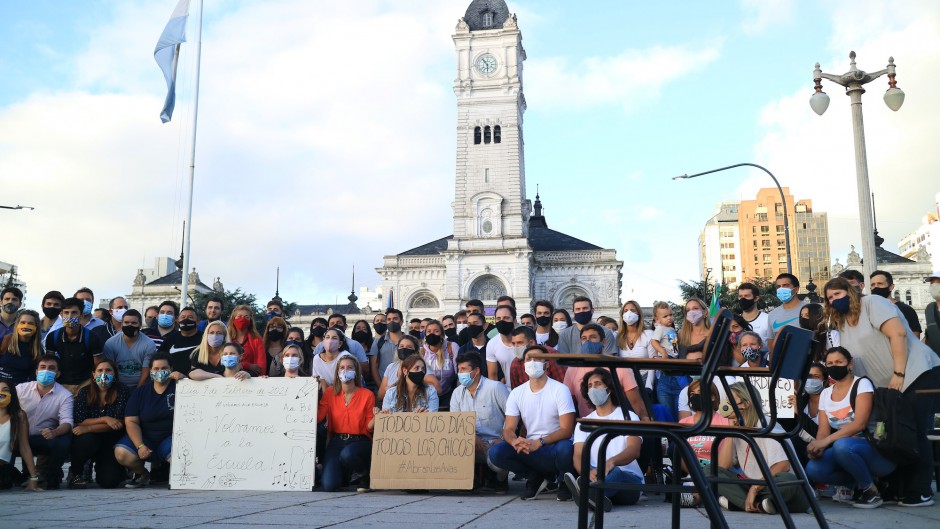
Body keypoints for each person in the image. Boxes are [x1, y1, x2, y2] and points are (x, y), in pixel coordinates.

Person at [822, 277, 940, 507]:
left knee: (913, 432)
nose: (834, 300)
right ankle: (897, 488)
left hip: (915, 373)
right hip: (886, 388)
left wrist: (898, 373)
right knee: (892, 436)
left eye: (837, 294)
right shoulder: (844, 322)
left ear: (851, 291)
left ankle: (921, 489)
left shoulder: (873, 303)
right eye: (829, 298)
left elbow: (897, 334)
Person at [806, 347, 895, 508]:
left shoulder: (862, 384)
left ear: (850, 364)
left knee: (842, 445)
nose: (834, 366)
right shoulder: (826, 393)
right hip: (846, 452)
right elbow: (823, 431)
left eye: (839, 362)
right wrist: (818, 446)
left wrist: (826, 441)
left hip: (876, 452)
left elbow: (859, 424)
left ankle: (870, 491)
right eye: (830, 363)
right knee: (814, 469)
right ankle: (861, 483)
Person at [488, 345, 576, 501]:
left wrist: (540, 442)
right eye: (529, 359)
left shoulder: (560, 389)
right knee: (496, 452)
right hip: (529, 447)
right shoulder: (516, 393)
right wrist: (514, 441)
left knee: (566, 448)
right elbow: (508, 428)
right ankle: (534, 478)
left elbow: (566, 430)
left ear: (547, 364)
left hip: (553, 446)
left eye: (538, 358)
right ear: (523, 364)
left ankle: (564, 481)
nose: (532, 362)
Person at [715, 382, 811, 514]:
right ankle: (760, 505)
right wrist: (730, 433)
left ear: (746, 404)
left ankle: (741, 503)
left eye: (730, 400)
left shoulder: (767, 425)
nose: (725, 404)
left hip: (788, 490)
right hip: (762, 489)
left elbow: (783, 466)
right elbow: (722, 466)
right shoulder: (738, 427)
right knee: (710, 470)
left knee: (788, 480)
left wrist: (754, 488)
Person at [564, 368, 645, 511]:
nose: (593, 388)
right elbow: (578, 456)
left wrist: (611, 462)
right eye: (589, 386)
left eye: (598, 384)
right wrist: (586, 472)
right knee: (596, 478)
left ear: (609, 388)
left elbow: (634, 450)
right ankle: (594, 494)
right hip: (596, 475)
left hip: (629, 481)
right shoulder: (584, 422)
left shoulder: (629, 417)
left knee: (616, 472)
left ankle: (586, 491)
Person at [114, 351, 176, 488]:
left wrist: (183, 378)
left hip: (170, 438)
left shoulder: (180, 388)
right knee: (121, 453)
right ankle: (142, 474)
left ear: (171, 369)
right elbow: (131, 421)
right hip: (145, 437)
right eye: (156, 369)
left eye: (164, 368)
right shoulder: (140, 392)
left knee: (180, 455)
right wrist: (140, 445)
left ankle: (177, 477)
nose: (160, 371)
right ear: (151, 371)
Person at [450, 351, 510, 491]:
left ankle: (500, 480)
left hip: (494, 442)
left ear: (476, 371)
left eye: (464, 369)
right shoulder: (457, 393)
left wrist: (503, 438)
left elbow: (512, 415)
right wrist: (471, 437)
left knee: (500, 455)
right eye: (459, 369)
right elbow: (455, 422)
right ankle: (469, 479)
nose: (460, 373)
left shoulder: (495, 388)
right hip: (468, 442)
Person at [563, 324, 648, 421]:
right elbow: (569, 403)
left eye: (593, 337)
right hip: (588, 426)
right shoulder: (573, 369)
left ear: (603, 341)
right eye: (584, 338)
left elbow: (636, 401)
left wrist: (645, 420)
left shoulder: (620, 368)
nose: (587, 341)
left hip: (619, 424)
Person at [67, 358, 129, 489]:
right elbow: (80, 421)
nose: (104, 373)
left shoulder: (122, 391)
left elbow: (118, 423)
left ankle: (120, 469)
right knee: (84, 440)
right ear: (94, 375)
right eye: (100, 370)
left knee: (109, 482)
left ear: (115, 374)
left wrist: (89, 427)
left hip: (111, 440)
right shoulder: (84, 392)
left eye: (108, 370)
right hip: (90, 439)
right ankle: (76, 473)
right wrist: (106, 419)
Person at [318, 355, 375, 492]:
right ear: (337, 372)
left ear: (356, 372)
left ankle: (363, 475)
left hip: (360, 441)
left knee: (347, 454)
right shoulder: (330, 393)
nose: (345, 370)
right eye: (342, 367)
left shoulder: (367, 394)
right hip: (337, 441)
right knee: (329, 485)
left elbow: (368, 426)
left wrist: (377, 417)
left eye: (350, 367)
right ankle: (346, 475)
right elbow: (319, 416)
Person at [16, 354, 73, 489]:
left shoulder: (65, 395)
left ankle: (51, 475)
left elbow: (67, 423)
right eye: (42, 367)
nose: (46, 371)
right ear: (36, 372)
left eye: (51, 368)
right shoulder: (20, 389)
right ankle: (13, 474)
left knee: (64, 441)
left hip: (42, 438)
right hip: (17, 438)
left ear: (58, 374)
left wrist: (55, 432)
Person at [675, 378, 731, 508]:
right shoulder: (683, 424)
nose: (695, 397)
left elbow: (729, 460)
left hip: (719, 475)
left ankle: (696, 497)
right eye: (692, 395)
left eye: (699, 392)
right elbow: (682, 459)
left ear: (712, 397)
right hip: (693, 475)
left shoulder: (725, 423)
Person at [44, 298, 105, 396]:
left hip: (85, 384)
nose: (70, 316)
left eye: (74, 313)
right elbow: (49, 363)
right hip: (61, 385)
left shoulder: (92, 337)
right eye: (66, 313)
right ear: (61, 315)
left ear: (81, 316)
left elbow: (98, 365)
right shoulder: (53, 337)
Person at [0, 379, 42, 491]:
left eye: (5, 390)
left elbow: (24, 447)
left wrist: (33, 478)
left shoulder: (19, 416)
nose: (1, 393)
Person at [101, 310, 156, 389]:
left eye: (134, 323)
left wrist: (137, 392)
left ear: (140, 325)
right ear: (122, 324)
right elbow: (109, 369)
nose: (130, 325)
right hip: (116, 386)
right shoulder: (111, 343)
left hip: (140, 386)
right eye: (126, 323)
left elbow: (146, 372)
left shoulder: (149, 344)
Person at [377, 335, 440, 401]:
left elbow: (437, 389)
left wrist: (395, 389)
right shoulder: (391, 367)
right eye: (401, 346)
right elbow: (381, 395)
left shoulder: (421, 367)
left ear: (416, 351)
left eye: (409, 347)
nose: (404, 349)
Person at [870, 270, 922, 338]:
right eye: (873, 285)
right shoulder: (870, 310)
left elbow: (915, 336)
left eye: (880, 284)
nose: (876, 287)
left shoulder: (906, 310)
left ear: (891, 287)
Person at [616, 301, 655, 388]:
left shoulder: (648, 334)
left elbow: (653, 361)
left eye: (633, 310)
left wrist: (649, 386)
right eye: (625, 311)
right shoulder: (618, 337)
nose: (629, 313)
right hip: (624, 380)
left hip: (644, 379)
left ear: (639, 314)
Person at [0, 310, 44, 386]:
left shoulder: (38, 350)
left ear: (36, 327)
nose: (26, 326)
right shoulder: (5, 341)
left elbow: (34, 379)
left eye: (31, 323)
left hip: (20, 392)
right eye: (23, 322)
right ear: (17, 325)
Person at [422, 319, 458, 408]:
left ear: (442, 334)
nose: (432, 334)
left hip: (448, 394)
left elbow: (459, 374)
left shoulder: (452, 347)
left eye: (436, 331)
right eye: (429, 331)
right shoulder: (422, 352)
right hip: (426, 396)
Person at [157, 307, 203, 376]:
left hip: (199, 381)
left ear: (198, 321)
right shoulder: (171, 339)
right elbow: (158, 359)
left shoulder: (205, 338)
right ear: (178, 320)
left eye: (190, 317)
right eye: (183, 317)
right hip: (174, 381)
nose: (186, 319)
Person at [767, 273, 807, 351]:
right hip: (782, 361)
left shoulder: (809, 309)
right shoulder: (772, 314)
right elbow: (771, 346)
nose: (781, 289)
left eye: (786, 285)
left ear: (796, 289)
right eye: (778, 287)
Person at [227, 305, 265, 376]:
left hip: (251, 379)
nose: (242, 319)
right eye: (239, 316)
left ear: (250, 320)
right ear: (233, 319)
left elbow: (261, 367)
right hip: (229, 377)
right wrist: (247, 365)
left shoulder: (257, 339)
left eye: (246, 317)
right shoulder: (227, 338)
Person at [486, 305, 518, 387]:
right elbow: (492, 375)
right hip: (507, 390)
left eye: (506, 318)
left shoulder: (524, 341)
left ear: (514, 322)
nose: (502, 321)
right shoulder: (492, 344)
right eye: (498, 318)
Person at [371, 309, 404, 379]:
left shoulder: (409, 341)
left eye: (395, 319)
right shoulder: (378, 342)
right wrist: (381, 387)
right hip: (383, 385)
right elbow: (374, 367)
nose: (391, 321)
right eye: (389, 319)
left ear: (401, 322)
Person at [926, 270, 940, 355]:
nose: (933, 286)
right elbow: (929, 334)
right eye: (931, 283)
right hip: (936, 362)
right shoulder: (930, 308)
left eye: (938, 283)